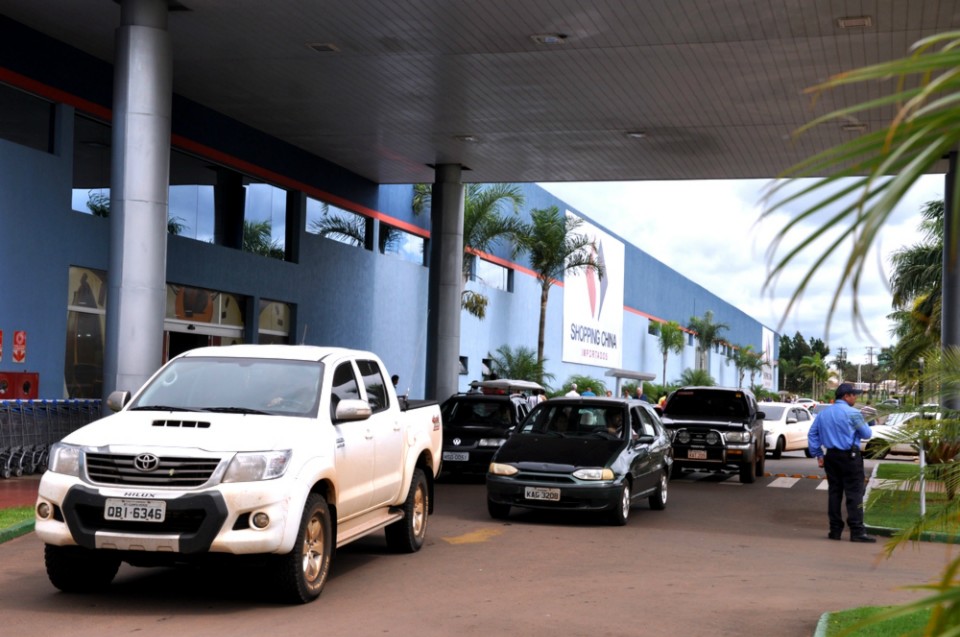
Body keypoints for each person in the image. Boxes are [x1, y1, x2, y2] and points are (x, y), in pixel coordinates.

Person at [807, 383, 876, 543]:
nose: (856, 397)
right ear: (846, 396)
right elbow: (867, 433)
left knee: (834, 493)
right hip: (850, 457)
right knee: (854, 493)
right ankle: (857, 531)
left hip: (831, 456)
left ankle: (835, 530)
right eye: (854, 395)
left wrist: (818, 454)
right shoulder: (853, 413)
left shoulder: (824, 414)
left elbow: (812, 433)